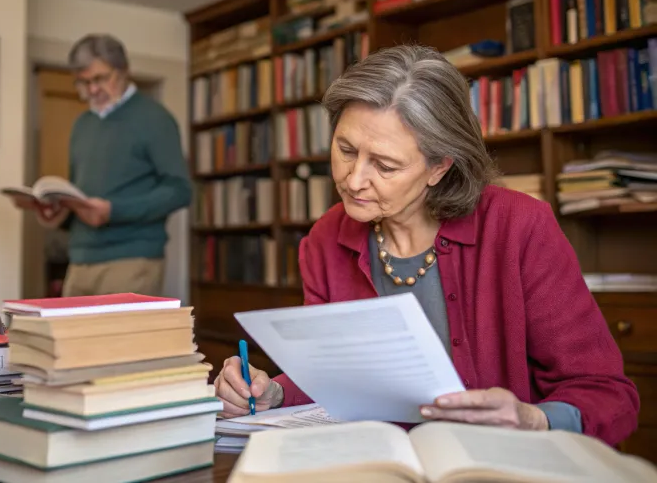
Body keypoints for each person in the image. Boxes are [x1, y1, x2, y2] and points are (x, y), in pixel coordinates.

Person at [213, 44, 639, 447]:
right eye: (345, 149)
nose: (353, 179)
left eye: (384, 164)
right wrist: (270, 394)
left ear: (439, 166)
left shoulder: (520, 227)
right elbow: (334, 378)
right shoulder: (326, 239)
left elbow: (608, 395)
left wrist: (532, 419)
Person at [12, 34, 191, 297]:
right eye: (83, 82)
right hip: (80, 260)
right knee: (67, 339)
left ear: (124, 71)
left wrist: (113, 211)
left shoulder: (155, 119)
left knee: (117, 339)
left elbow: (180, 190)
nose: (92, 90)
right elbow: (84, 199)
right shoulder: (82, 125)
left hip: (131, 260)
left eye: (100, 79)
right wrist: (57, 213)